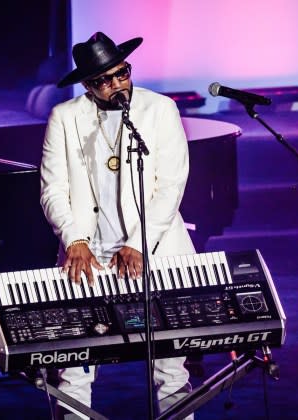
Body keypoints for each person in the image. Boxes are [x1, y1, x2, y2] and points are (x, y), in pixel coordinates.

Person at [39, 31, 196, 419]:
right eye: (104, 80)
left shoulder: (160, 110)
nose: (117, 85)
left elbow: (172, 184)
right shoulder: (65, 117)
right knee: (73, 370)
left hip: (153, 252)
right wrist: (73, 238)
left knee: (171, 368)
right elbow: (52, 188)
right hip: (88, 261)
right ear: (88, 86)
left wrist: (139, 242)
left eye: (122, 73)